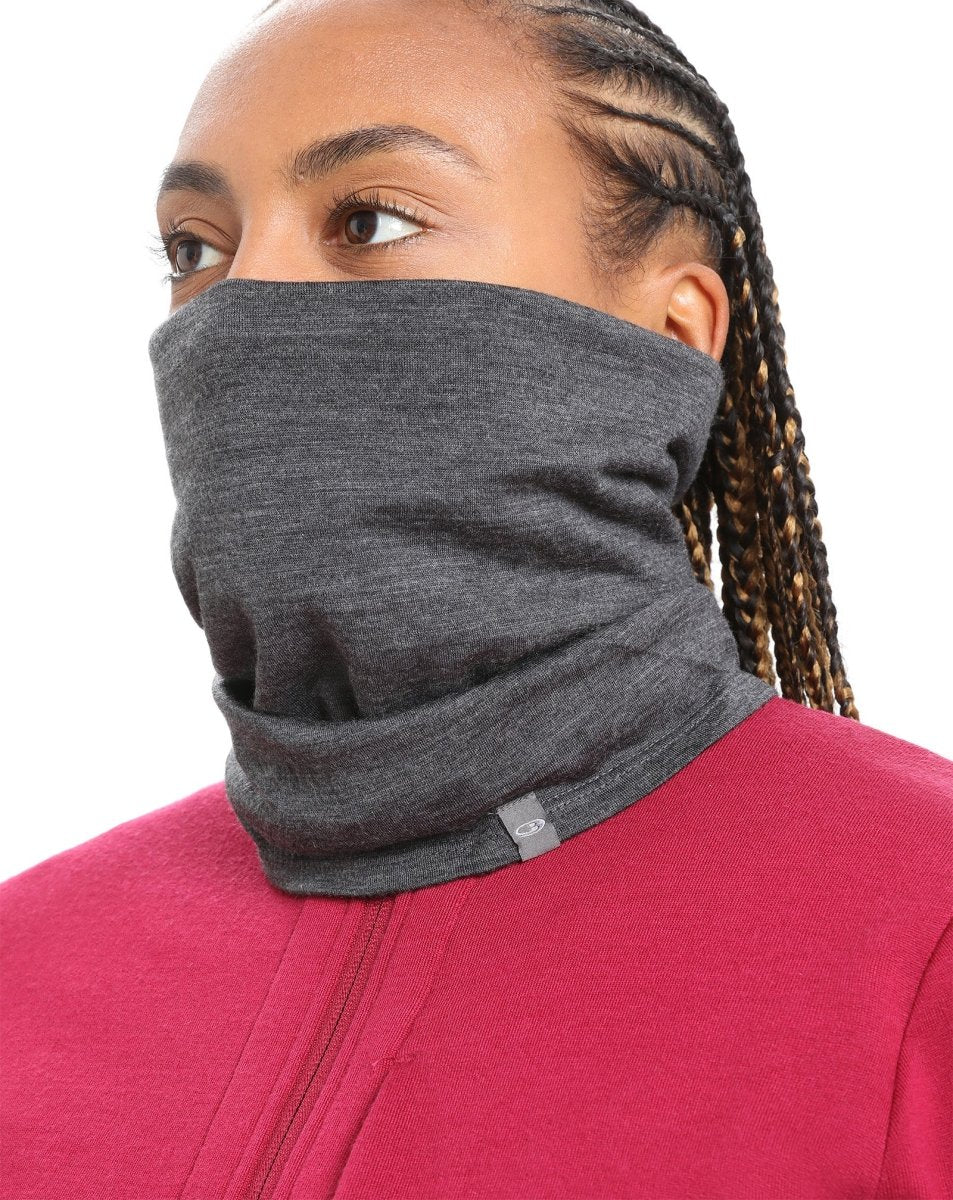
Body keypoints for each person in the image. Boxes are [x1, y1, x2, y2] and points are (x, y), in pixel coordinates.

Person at [2, 0, 950, 1196]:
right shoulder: (27, 962)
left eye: (371, 220)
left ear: (671, 332)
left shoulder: (922, 932)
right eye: (195, 248)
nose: (243, 301)